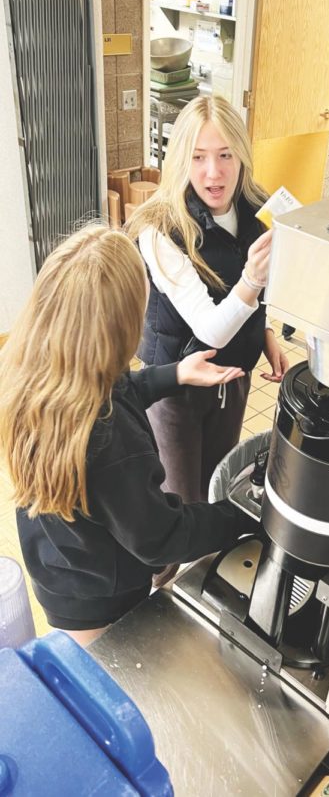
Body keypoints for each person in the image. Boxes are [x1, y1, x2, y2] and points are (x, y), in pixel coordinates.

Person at [0, 224, 259, 647]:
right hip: (105, 597)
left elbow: (119, 389)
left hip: (60, 567)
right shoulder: (111, 439)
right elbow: (162, 538)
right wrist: (242, 515)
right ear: (121, 326)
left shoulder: (39, 376)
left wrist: (174, 374)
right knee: (108, 669)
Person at [127, 95, 289, 505]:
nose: (213, 172)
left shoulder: (255, 210)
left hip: (231, 380)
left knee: (219, 485)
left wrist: (263, 331)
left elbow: (256, 291)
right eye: (198, 157)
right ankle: (164, 574)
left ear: (242, 156)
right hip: (176, 388)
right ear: (180, 159)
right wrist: (252, 280)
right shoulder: (160, 229)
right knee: (178, 501)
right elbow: (210, 327)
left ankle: (205, 564)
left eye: (225, 155)